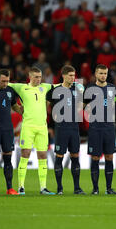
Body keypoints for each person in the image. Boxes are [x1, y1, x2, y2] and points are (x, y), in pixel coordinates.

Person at [0, 66, 55, 195]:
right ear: (30, 77)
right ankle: (21, 186)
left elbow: (60, 85)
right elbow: (3, 82)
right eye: (36, 77)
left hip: (42, 127)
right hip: (28, 126)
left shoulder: (45, 87)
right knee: (25, 153)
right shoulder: (22, 88)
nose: (38, 79)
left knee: (43, 155)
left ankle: (43, 187)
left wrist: (76, 85)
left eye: (40, 77)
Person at [47, 65, 85, 195]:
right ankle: (59, 188)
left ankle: (77, 188)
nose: (73, 78)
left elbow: (82, 104)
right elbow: (46, 106)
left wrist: (78, 109)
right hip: (61, 128)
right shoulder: (55, 91)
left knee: (75, 156)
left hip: (74, 127)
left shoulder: (77, 89)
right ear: (63, 76)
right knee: (59, 156)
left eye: (74, 75)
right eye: (70, 75)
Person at [83, 64, 116, 195]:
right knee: (95, 157)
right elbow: (82, 105)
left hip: (109, 128)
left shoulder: (112, 88)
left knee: (109, 157)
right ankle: (95, 189)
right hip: (95, 128)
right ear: (96, 74)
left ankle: (109, 188)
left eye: (105, 73)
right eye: (101, 73)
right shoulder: (90, 88)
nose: (103, 76)